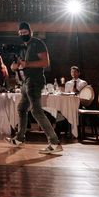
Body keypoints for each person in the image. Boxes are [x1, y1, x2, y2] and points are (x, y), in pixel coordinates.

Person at [5, 22, 62, 154]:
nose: (22, 35)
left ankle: (54, 142)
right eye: (20, 33)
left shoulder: (38, 43)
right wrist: (14, 66)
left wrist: (27, 64)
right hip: (26, 81)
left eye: (25, 32)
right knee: (22, 108)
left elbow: (46, 62)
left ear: (30, 31)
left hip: (35, 81)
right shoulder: (23, 47)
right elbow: (18, 65)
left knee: (36, 111)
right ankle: (19, 138)